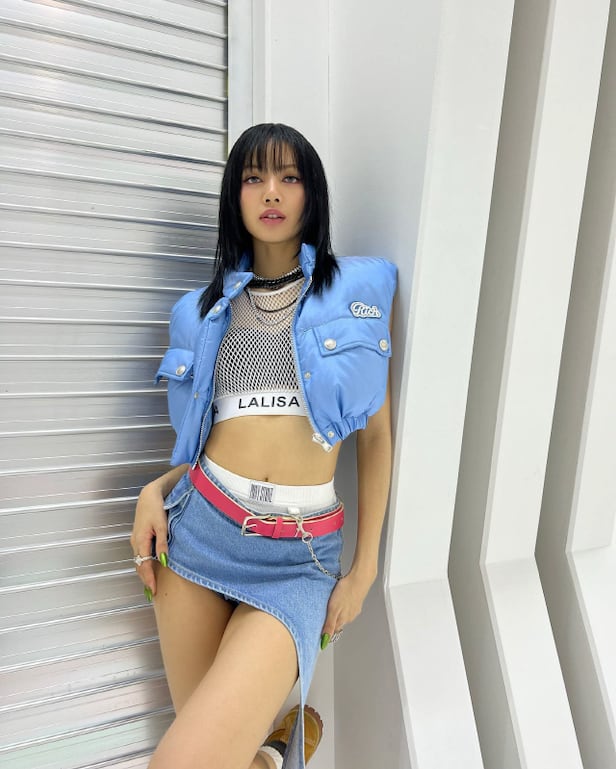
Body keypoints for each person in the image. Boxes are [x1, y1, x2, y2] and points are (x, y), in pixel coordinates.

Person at [130, 123, 397, 769]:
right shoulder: (200, 312)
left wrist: (364, 569)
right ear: (235, 195)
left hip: (296, 560)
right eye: (254, 177)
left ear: (312, 192)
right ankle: (276, 755)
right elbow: (206, 439)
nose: (271, 191)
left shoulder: (353, 293)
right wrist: (153, 490)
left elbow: (377, 435)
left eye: (289, 176)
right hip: (198, 537)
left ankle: (274, 755)